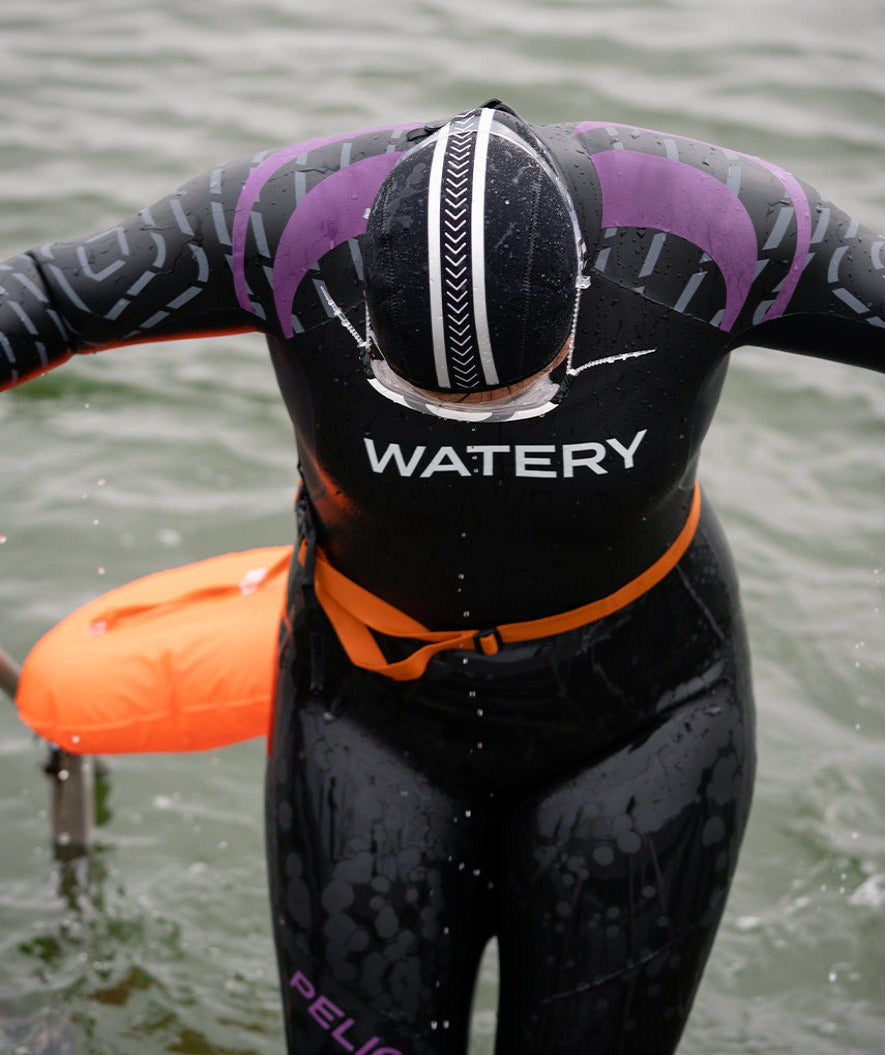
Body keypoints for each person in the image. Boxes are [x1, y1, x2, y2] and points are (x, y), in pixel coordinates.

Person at [1, 100, 882, 1054]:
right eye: (421, 401)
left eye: (519, 400)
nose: (471, 428)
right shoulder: (284, 221)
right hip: (366, 722)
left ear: (584, 301)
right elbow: (43, 292)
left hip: (646, 719)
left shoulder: (713, 227)